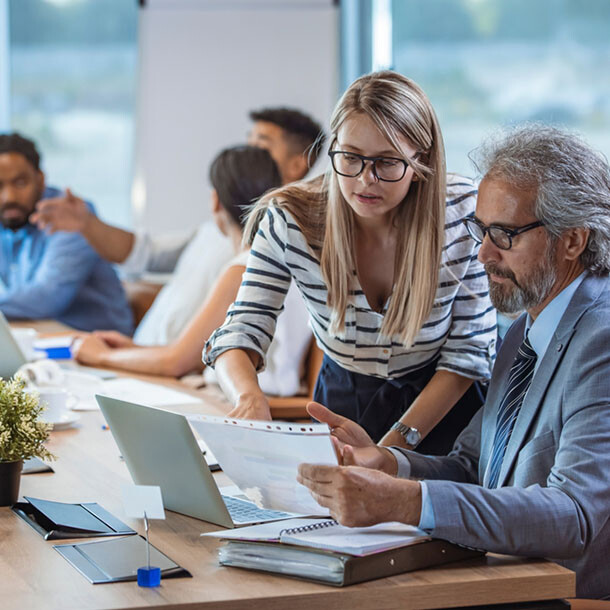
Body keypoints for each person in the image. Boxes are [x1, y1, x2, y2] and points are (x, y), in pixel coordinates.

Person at [297, 125, 610, 600]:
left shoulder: (601, 341)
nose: (483, 254)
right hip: (501, 582)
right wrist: (387, 464)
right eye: (480, 230)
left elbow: (575, 515)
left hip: (562, 597)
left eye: (504, 234)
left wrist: (405, 502)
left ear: (573, 241)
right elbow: (471, 466)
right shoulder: (524, 331)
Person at [204, 71, 497, 454]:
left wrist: (390, 451)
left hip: (445, 407)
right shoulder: (291, 218)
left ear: (421, 158)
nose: (365, 180)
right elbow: (238, 332)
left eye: (387, 163)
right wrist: (249, 397)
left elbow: (468, 356)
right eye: (350, 158)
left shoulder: (462, 213)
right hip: (344, 400)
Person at [31, 107, 325, 345]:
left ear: (297, 166)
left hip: (176, 374)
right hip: (146, 356)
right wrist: (87, 224)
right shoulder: (215, 228)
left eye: (261, 144)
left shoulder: (280, 246)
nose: (248, 152)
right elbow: (147, 252)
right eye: (249, 141)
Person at [73, 145, 311, 396]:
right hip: (237, 395)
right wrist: (130, 350)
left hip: (233, 401)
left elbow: (176, 361)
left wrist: (101, 356)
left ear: (215, 201)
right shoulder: (275, 258)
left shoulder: (245, 268)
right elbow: (192, 353)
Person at [0, 133, 133, 334]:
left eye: (20, 183)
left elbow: (46, 298)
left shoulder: (72, 218)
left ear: (40, 179)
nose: (9, 197)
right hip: (44, 338)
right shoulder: (8, 220)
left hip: (104, 347)